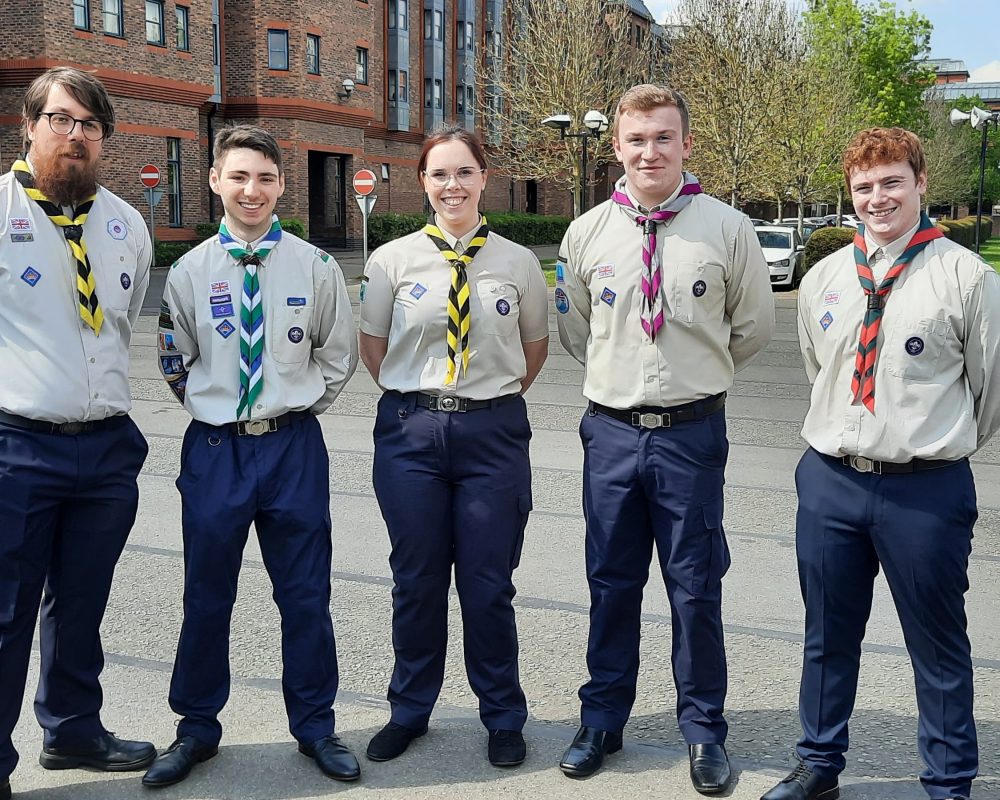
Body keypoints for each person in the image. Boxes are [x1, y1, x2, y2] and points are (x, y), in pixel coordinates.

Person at [761, 127, 1000, 800]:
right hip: (832, 480)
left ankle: (949, 782)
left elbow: (990, 390)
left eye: (892, 181)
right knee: (827, 636)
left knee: (939, 646)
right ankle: (818, 765)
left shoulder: (965, 276)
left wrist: (931, 442)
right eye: (864, 186)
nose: (877, 197)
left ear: (921, 183)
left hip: (923, 490)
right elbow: (821, 370)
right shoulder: (828, 278)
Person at [555, 84, 774, 794]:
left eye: (663, 137)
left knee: (694, 588)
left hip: (690, 434)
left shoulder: (727, 229)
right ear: (616, 147)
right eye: (636, 139)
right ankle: (603, 720)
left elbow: (751, 330)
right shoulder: (586, 233)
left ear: (685, 142)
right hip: (612, 433)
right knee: (611, 583)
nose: (650, 151)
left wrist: (691, 377)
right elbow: (574, 329)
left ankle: (704, 731)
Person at [143, 125, 360, 788]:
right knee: (206, 595)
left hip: (293, 447)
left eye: (265, 178)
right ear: (215, 181)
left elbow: (337, 352)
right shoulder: (188, 271)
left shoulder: (316, 267)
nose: (252, 190)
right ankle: (197, 729)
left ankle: (316, 727)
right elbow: (174, 359)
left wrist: (291, 408)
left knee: (305, 596)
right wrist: (219, 408)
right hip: (216, 451)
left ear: (281, 185)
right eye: (238, 176)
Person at [358, 124, 548, 768]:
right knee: (415, 580)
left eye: (464, 172)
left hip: (491, 432)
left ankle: (501, 714)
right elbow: (374, 348)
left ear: (483, 178)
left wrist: (480, 398)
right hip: (411, 432)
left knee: (488, 583)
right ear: (423, 182)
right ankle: (410, 709)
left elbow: (533, 349)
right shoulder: (392, 260)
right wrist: (426, 397)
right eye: (439, 174)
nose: (452, 185)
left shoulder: (517, 262)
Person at [0, 67, 155, 800]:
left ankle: (72, 731)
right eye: (60, 120)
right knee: (6, 611)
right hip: (16, 446)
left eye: (90, 125)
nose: (76, 136)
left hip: (106, 446)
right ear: (27, 127)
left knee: (83, 602)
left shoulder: (126, 225)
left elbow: (120, 331)